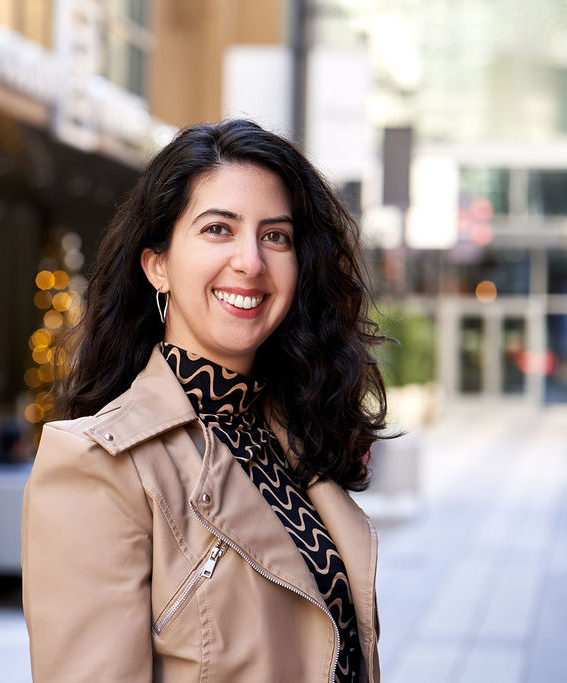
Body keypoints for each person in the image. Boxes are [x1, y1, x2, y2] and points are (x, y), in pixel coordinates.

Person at [21, 119, 387, 682]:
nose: (251, 262)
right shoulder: (101, 464)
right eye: (219, 229)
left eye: (276, 236)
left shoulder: (293, 435)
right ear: (158, 265)